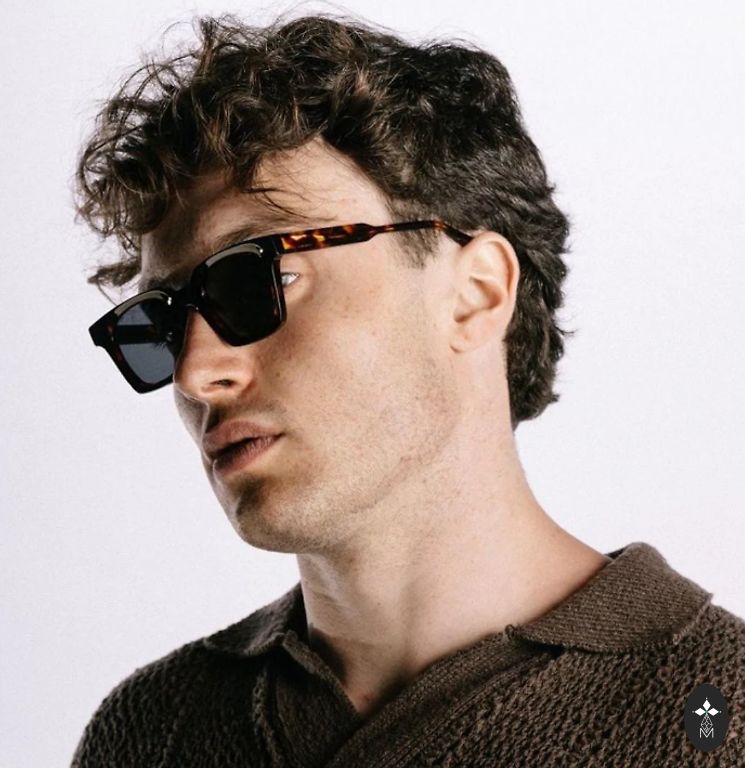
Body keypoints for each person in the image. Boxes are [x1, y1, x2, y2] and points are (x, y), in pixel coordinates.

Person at [71, 12, 744, 767]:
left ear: (474, 294)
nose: (196, 373)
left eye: (259, 279)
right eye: (162, 324)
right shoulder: (150, 734)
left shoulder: (719, 716)